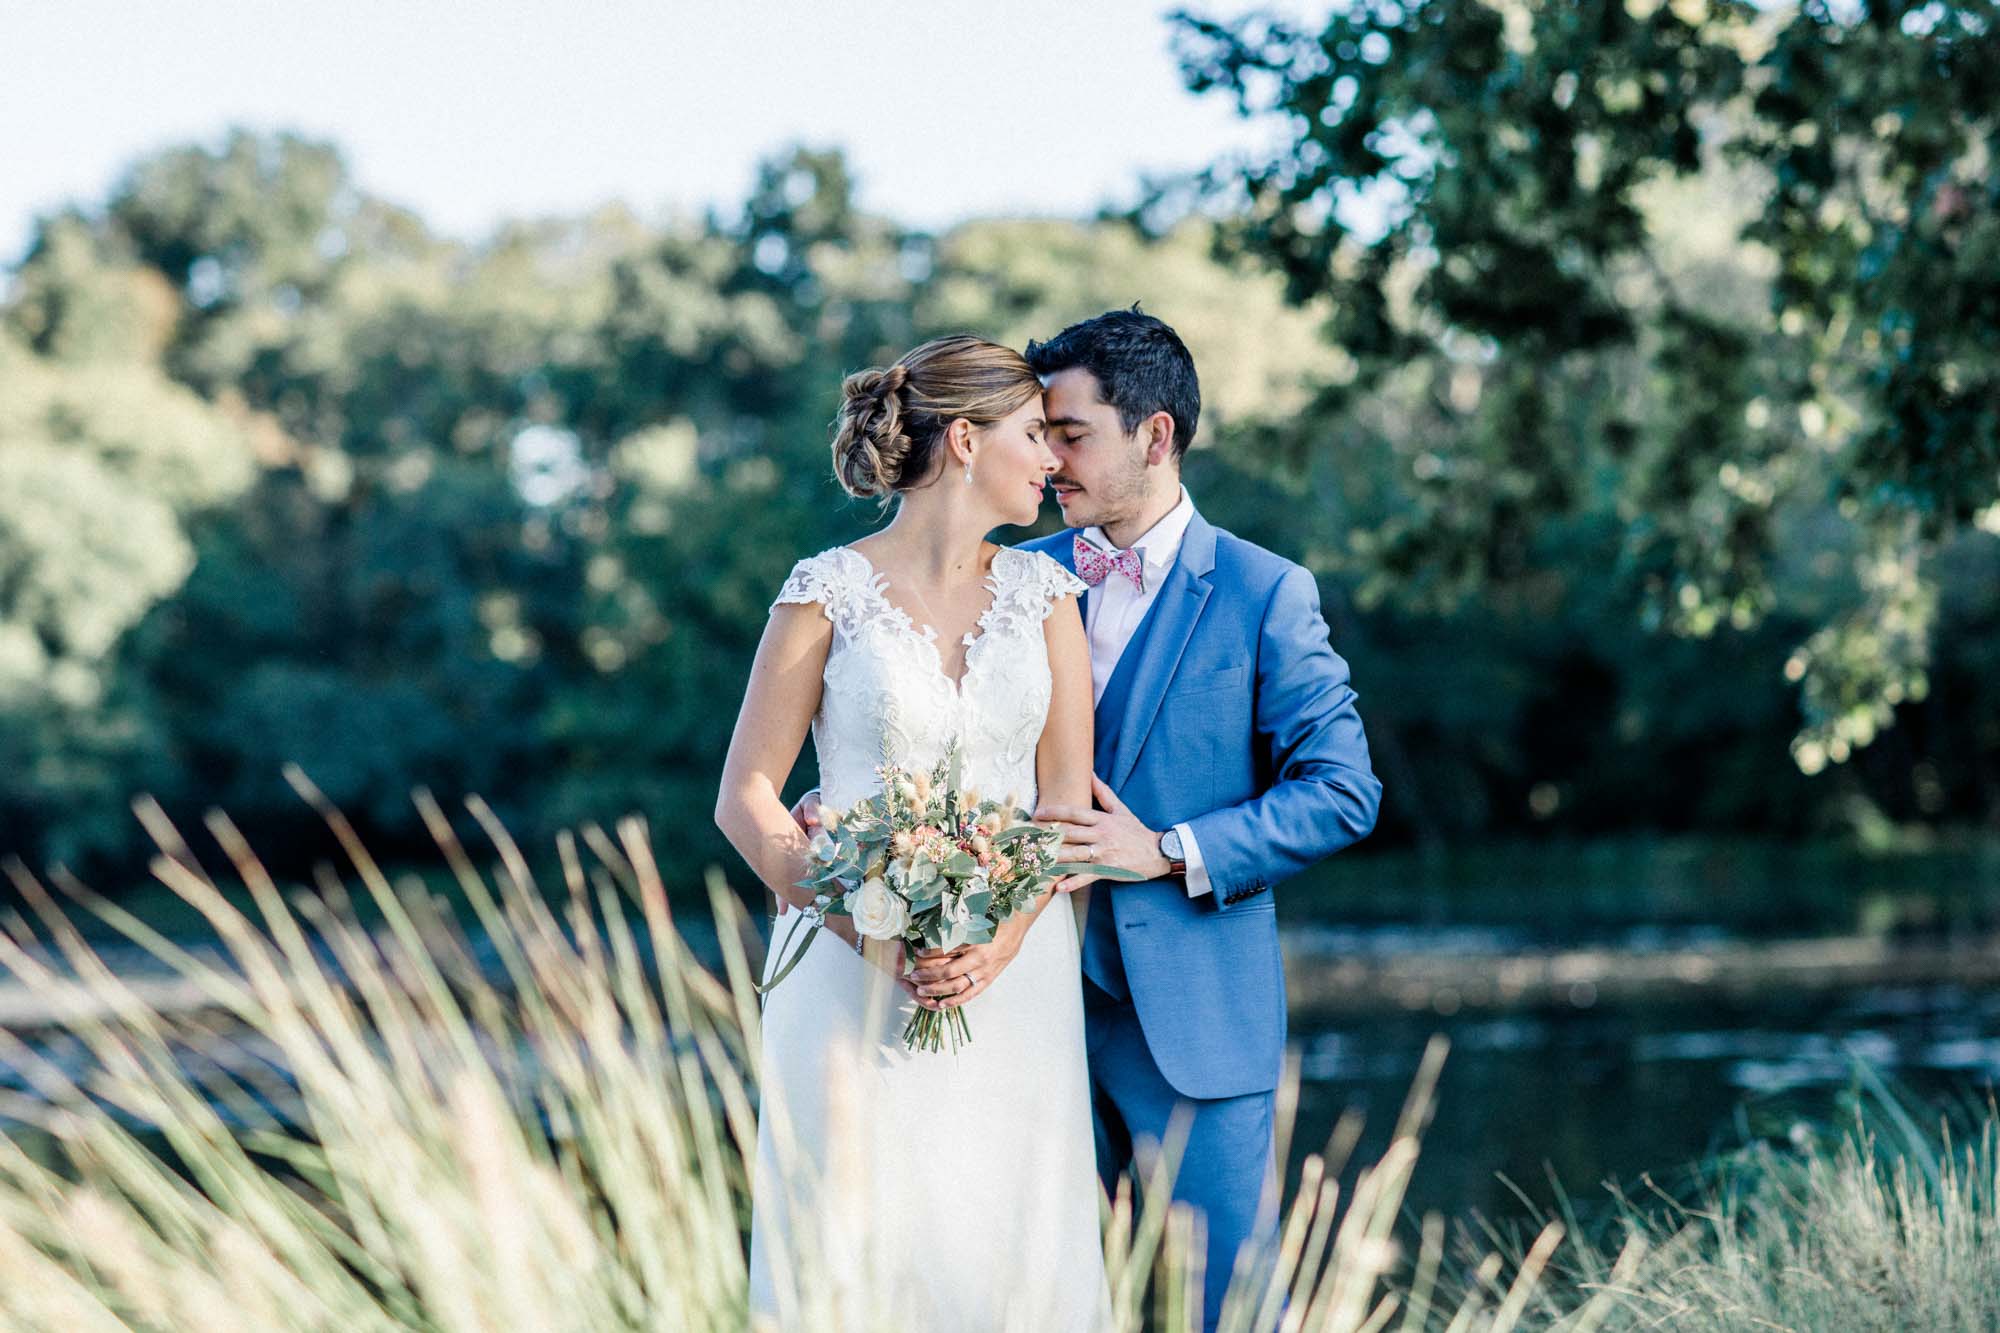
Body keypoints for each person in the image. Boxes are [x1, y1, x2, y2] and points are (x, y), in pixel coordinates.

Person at [794, 307, 1383, 1330]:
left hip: (1190, 1020)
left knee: (1226, 1309)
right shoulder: (1009, 574)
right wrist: (849, 805)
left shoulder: (1262, 592)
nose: (1048, 458)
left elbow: (1342, 790)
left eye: (1069, 434)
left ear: (1153, 436)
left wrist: (1165, 849)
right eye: (1037, 433)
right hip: (1007, 1006)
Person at [714, 334, 1110, 1330]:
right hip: (841, 972)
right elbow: (747, 796)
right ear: (966, 441)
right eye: (1032, 434)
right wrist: (867, 926)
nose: (1050, 459)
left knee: (1009, 1241)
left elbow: (1065, 804)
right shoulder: (824, 592)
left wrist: (1003, 936)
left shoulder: (1046, 599)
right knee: (857, 1237)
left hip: (1012, 977)